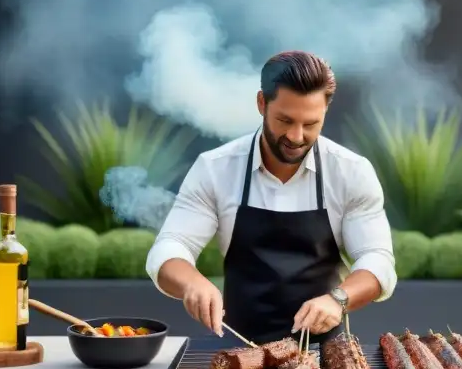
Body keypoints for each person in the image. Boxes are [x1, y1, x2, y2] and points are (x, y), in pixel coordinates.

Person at [146, 50, 397, 345]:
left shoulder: (351, 172)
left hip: (322, 357)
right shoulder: (215, 168)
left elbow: (377, 260)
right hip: (237, 350)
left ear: (326, 111)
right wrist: (193, 283)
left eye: (311, 123)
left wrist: (339, 299)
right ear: (261, 103)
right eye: (285, 120)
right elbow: (169, 247)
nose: (296, 136)